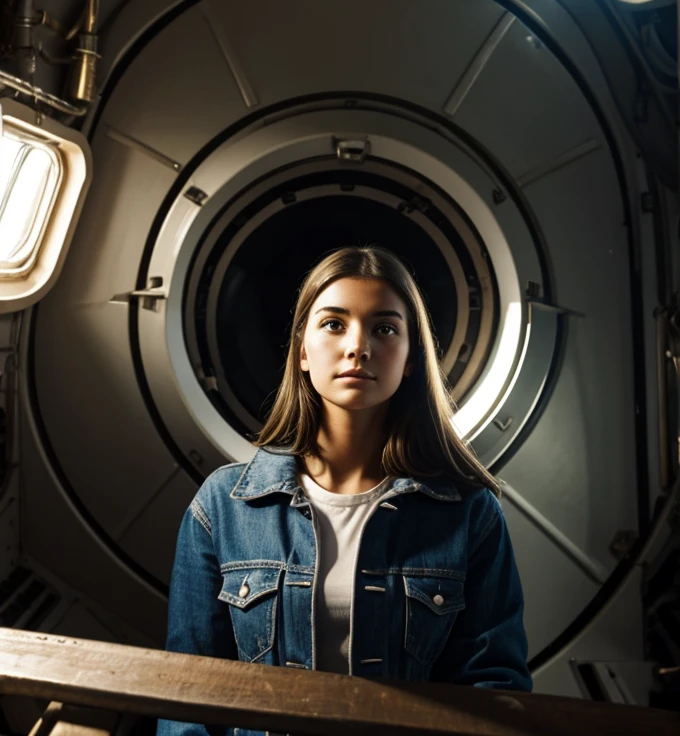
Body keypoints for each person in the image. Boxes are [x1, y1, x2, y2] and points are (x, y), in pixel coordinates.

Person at [157, 246, 532, 736]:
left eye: (385, 328)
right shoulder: (223, 506)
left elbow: (494, 689)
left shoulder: (469, 514)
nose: (359, 346)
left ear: (411, 358)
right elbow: (187, 694)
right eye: (334, 324)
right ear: (303, 352)